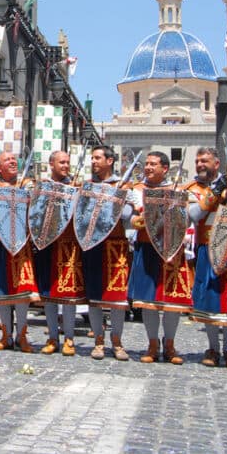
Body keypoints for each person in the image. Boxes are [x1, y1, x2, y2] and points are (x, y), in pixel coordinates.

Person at [128, 152, 192, 364]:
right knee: (148, 302)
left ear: (165, 168)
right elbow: (136, 213)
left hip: (172, 250)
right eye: (146, 163)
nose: (148, 167)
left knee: (171, 302)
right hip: (146, 248)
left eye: (153, 164)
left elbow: (187, 218)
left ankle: (170, 344)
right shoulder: (137, 189)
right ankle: (152, 344)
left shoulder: (179, 191)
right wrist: (137, 218)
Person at [186, 147, 227, 369]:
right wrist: (214, 193)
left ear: (216, 164)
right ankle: (212, 347)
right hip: (205, 247)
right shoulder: (192, 189)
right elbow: (194, 215)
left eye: (205, 160)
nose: (200, 164)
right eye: (198, 161)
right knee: (209, 299)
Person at [0, 151, 37, 353]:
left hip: (20, 244)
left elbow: (35, 207)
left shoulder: (27, 184)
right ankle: (6, 335)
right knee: (1, 292)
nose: (12, 162)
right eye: (7, 160)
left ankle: (22, 335)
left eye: (14, 159)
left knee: (21, 292)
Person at [82, 147, 134, 361]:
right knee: (94, 296)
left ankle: (117, 341)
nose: (93, 162)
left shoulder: (123, 185)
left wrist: (116, 199)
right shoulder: (88, 185)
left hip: (115, 245)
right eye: (92, 158)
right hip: (92, 244)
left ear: (109, 160)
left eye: (97, 158)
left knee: (117, 297)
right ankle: (98, 341)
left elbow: (128, 215)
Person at [32, 150, 85, 357]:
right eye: (61, 162)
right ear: (51, 164)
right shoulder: (42, 186)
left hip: (69, 245)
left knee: (68, 294)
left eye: (67, 162)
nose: (65, 166)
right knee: (49, 294)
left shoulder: (77, 187)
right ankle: (53, 336)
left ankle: (69, 338)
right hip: (47, 243)